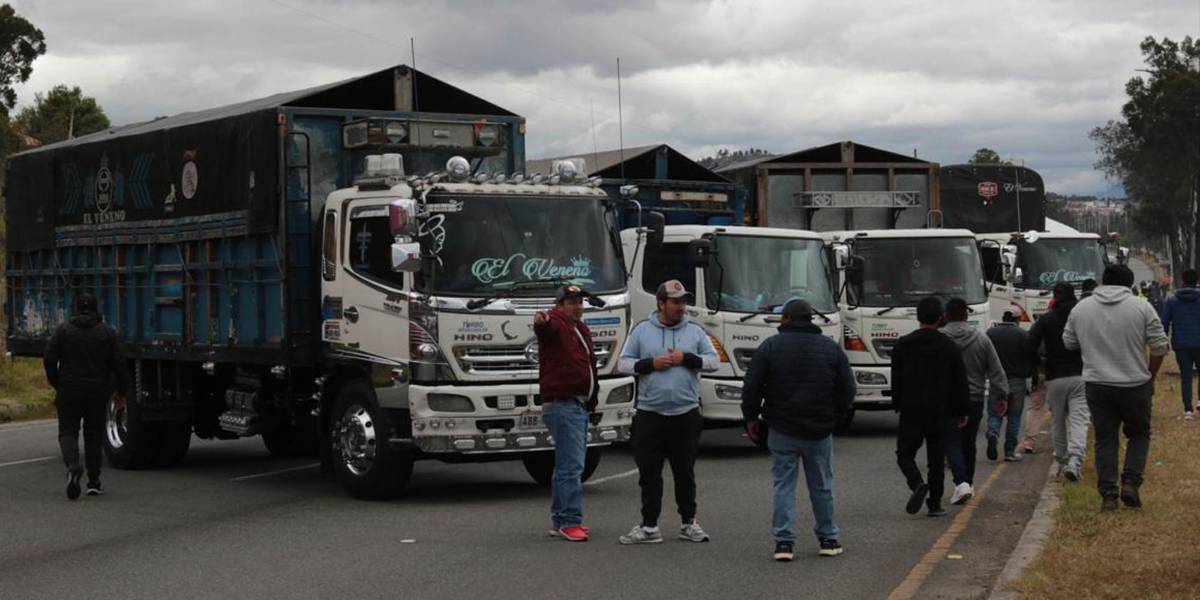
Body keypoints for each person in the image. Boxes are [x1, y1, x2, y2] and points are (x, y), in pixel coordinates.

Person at [741, 299, 855, 561]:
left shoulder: (771, 347)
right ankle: (828, 538)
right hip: (819, 428)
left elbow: (752, 385)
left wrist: (750, 418)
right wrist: (835, 415)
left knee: (784, 485)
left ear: (787, 319)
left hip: (782, 427)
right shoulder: (829, 348)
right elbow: (847, 389)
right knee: (822, 485)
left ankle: (784, 543)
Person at [616, 279, 720, 544]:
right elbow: (623, 363)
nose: (681, 307)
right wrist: (651, 363)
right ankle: (649, 526)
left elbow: (714, 362)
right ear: (661, 303)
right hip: (650, 413)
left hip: (685, 413)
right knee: (649, 473)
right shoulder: (641, 330)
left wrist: (686, 359)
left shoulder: (695, 331)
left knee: (684, 471)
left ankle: (689, 523)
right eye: (675, 302)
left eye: (683, 301)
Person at [1064, 264, 1169, 510]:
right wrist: (1149, 376)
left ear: (1103, 281)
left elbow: (1068, 342)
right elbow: (1160, 346)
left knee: (1105, 439)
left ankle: (1108, 494)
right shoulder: (1142, 307)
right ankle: (1131, 483)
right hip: (1135, 383)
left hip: (1097, 383)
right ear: (1129, 283)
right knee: (1139, 434)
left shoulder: (1082, 308)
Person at [43, 292, 127, 500]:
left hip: (69, 389)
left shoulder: (64, 331)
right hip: (98, 391)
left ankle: (73, 465)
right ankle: (94, 482)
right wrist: (122, 392)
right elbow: (120, 365)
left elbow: (49, 358)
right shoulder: (108, 333)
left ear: (76, 308)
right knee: (93, 435)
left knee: (68, 432)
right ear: (96, 308)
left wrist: (56, 382)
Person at [891, 297, 969, 517]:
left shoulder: (903, 345)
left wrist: (897, 403)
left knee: (904, 453)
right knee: (936, 458)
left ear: (918, 317)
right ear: (940, 318)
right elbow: (959, 382)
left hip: (911, 408)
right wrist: (962, 411)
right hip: (941, 410)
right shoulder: (949, 347)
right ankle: (934, 504)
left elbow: (896, 379)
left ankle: (916, 482)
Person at [534, 284, 600, 541]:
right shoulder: (558, 324)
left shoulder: (578, 328)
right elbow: (544, 327)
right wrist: (542, 321)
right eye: (571, 302)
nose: (577, 306)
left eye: (580, 302)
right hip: (563, 404)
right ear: (559, 305)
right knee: (571, 467)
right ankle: (570, 521)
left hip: (576, 404)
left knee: (566, 465)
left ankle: (560, 519)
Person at [940, 298, 1009, 505]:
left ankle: (960, 482)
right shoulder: (981, 339)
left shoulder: (940, 340)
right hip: (975, 398)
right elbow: (996, 371)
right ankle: (968, 483)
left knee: (951, 440)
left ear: (945, 315)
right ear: (966, 315)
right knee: (968, 442)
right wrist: (1001, 396)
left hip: (947, 398)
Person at [1027, 283, 1088, 480]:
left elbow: (1028, 344)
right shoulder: (1082, 315)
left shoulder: (1046, 319)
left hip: (1054, 377)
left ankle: (1061, 460)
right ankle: (1076, 459)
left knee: (1057, 420)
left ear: (1055, 296)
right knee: (1079, 420)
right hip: (1081, 374)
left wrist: (1039, 363)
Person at [986, 311, 1036, 462]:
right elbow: (1031, 356)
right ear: (1018, 319)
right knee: (1014, 417)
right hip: (1017, 381)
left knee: (995, 413)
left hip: (996, 380)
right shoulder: (1022, 334)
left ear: (1003, 318)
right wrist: (1031, 375)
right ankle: (1009, 451)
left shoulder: (991, 333)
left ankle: (993, 432)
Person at [1160, 269, 1200, 421]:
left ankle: (1188, 410)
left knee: (1186, 377)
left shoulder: (1172, 300)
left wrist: (1163, 341)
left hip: (1181, 344)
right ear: (1197, 281)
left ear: (1182, 281)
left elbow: (1164, 323)